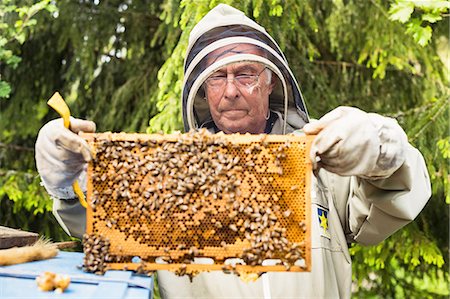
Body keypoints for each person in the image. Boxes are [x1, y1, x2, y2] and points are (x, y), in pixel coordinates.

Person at [35, 4, 431, 298]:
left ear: (271, 81)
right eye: (217, 78)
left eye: (244, 74)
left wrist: (382, 149)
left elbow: (398, 199)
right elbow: (102, 227)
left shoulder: (322, 163)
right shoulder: (169, 178)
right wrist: (69, 184)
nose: (230, 91)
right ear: (202, 91)